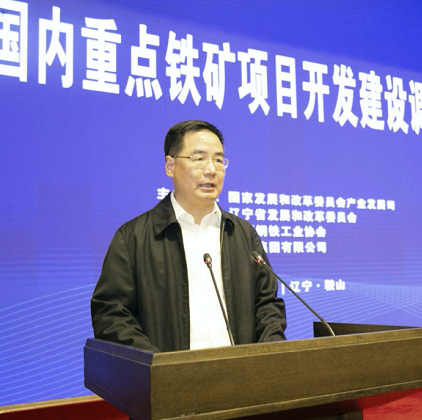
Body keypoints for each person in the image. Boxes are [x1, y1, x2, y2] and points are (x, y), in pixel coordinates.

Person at [91, 120, 286, 353]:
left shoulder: (242, 234)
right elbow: (111, 314)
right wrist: (160, 365)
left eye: (218, 160)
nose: (211, 169)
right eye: (199, 158)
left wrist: (265, 357)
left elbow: (267, 305)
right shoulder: (133, 238)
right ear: (170, 166)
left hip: (242, 371)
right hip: (171, 373)